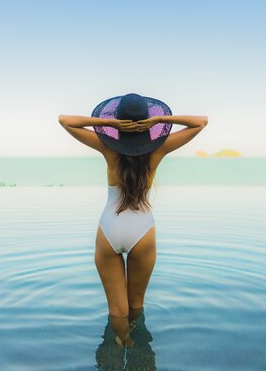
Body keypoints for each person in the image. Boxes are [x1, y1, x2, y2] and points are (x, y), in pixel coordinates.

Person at [58, 92, 208, 347]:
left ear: (119, 121)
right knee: (136, 305)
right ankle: (139, 354)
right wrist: (162, 119)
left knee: (118, 310)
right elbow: (201, 121)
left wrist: (107, 125)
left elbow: (65, 120)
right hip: (142, 230)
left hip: (110, 229)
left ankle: (121, 342)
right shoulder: (160, 149)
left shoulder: (106, 147)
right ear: (148, 122)